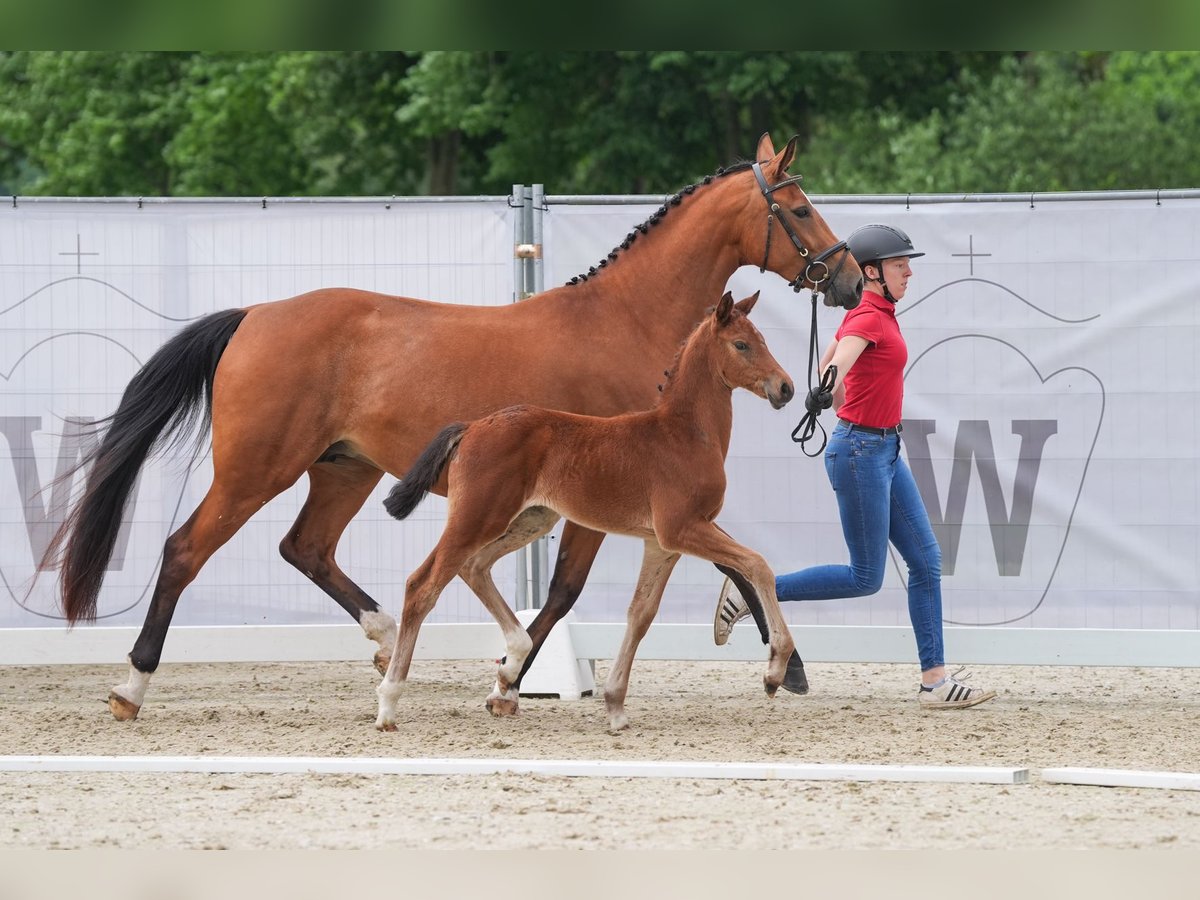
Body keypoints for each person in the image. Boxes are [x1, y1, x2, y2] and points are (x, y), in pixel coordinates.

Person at [713, 223, 995, 710]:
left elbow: (834, 354)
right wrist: (828, 387)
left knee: (926, 562)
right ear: (872, 272)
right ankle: (755, 590)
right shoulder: (868, 316)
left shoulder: (878, 312)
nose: (909, 270)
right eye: (899, 263)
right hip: (863, 452)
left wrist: (840, 396)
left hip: (882, 449)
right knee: (866, 577)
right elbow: (838, 359)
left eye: (908, 263)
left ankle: (935, 682)